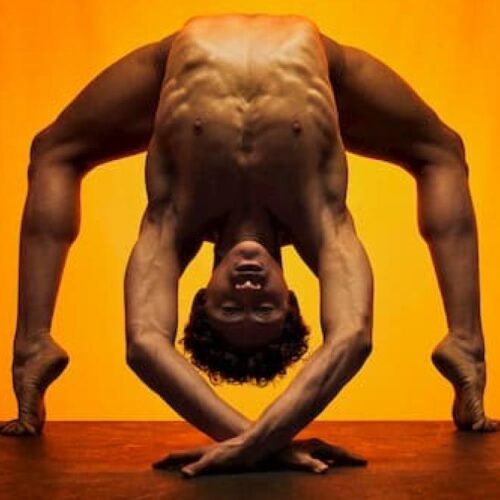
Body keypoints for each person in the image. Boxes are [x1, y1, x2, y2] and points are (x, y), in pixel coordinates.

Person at [1, 13, 496, 475]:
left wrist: (247, 445)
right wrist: (266, 445)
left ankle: (33, 346)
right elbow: (353, 336)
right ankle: (466, 344)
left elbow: (145, 344)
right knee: (442, 151)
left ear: (201, 297)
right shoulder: (320, 222)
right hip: (325, 68)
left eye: (229, 308)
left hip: (172, 64)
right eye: (264, 309)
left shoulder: (173, 222)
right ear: (291, 298)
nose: (248, 293)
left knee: (53, 151)